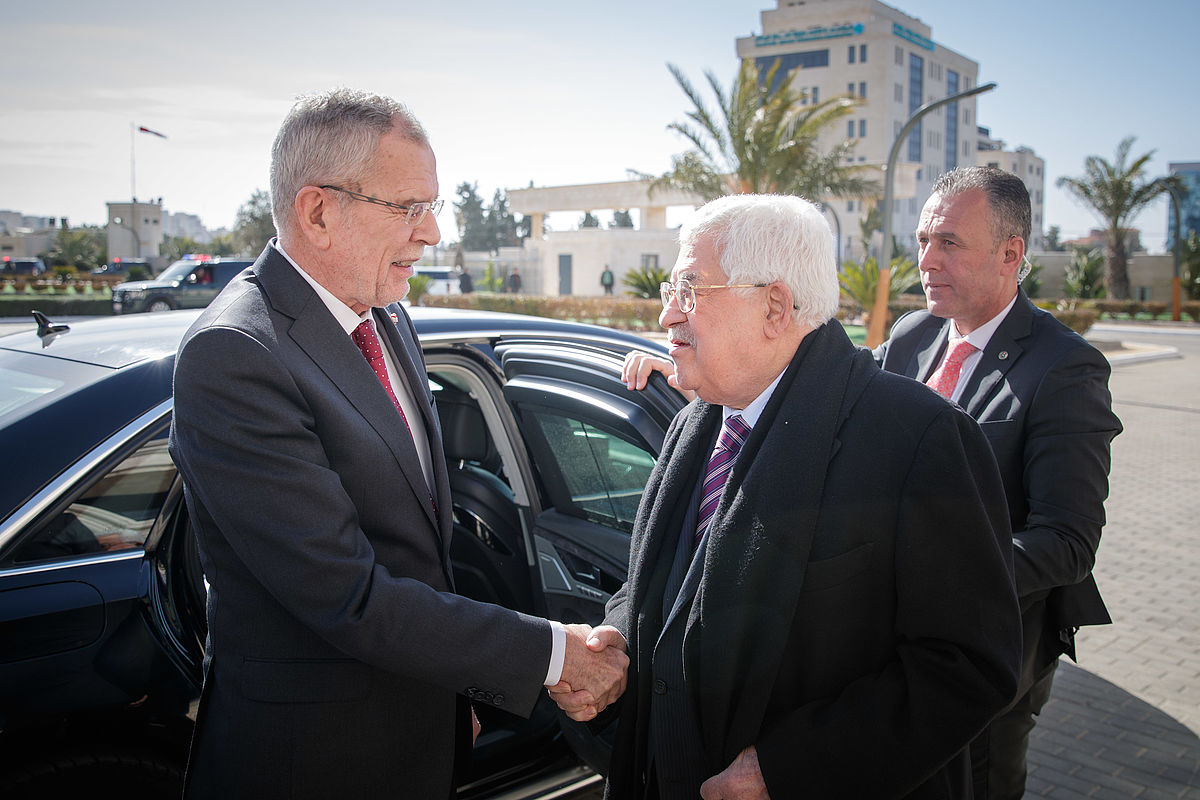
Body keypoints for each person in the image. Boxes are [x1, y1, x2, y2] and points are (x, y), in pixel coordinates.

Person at [168, 88, 626, 799]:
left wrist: (455, 694)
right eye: (409, 208)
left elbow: (413, 547)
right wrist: (550, 652)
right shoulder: (235, 354)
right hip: (312, 764)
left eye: (433, 206)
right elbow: (348, 596)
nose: (433, 233)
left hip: (420, 732)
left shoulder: (384, 314)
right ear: (318, 211)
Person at [556, 194, 1022, 799]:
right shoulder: (697, 423)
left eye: (692, 289)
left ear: (774, 306)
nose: (668, 315)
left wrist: (789, 769)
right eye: (672, 289)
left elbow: (968, 667)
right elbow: (670, 585)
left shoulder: (920, 439)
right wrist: (620, 635)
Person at [874, 166, 1122, 800]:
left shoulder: (1065, 367)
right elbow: (827, 386)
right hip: (890, 644)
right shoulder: (913, 334)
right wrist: (694, 362)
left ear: (1011, 253)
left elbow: (1066, 541)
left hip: (988, 656)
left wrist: (931, 574)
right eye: (924, 239)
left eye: (949, 242)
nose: (925, 259)